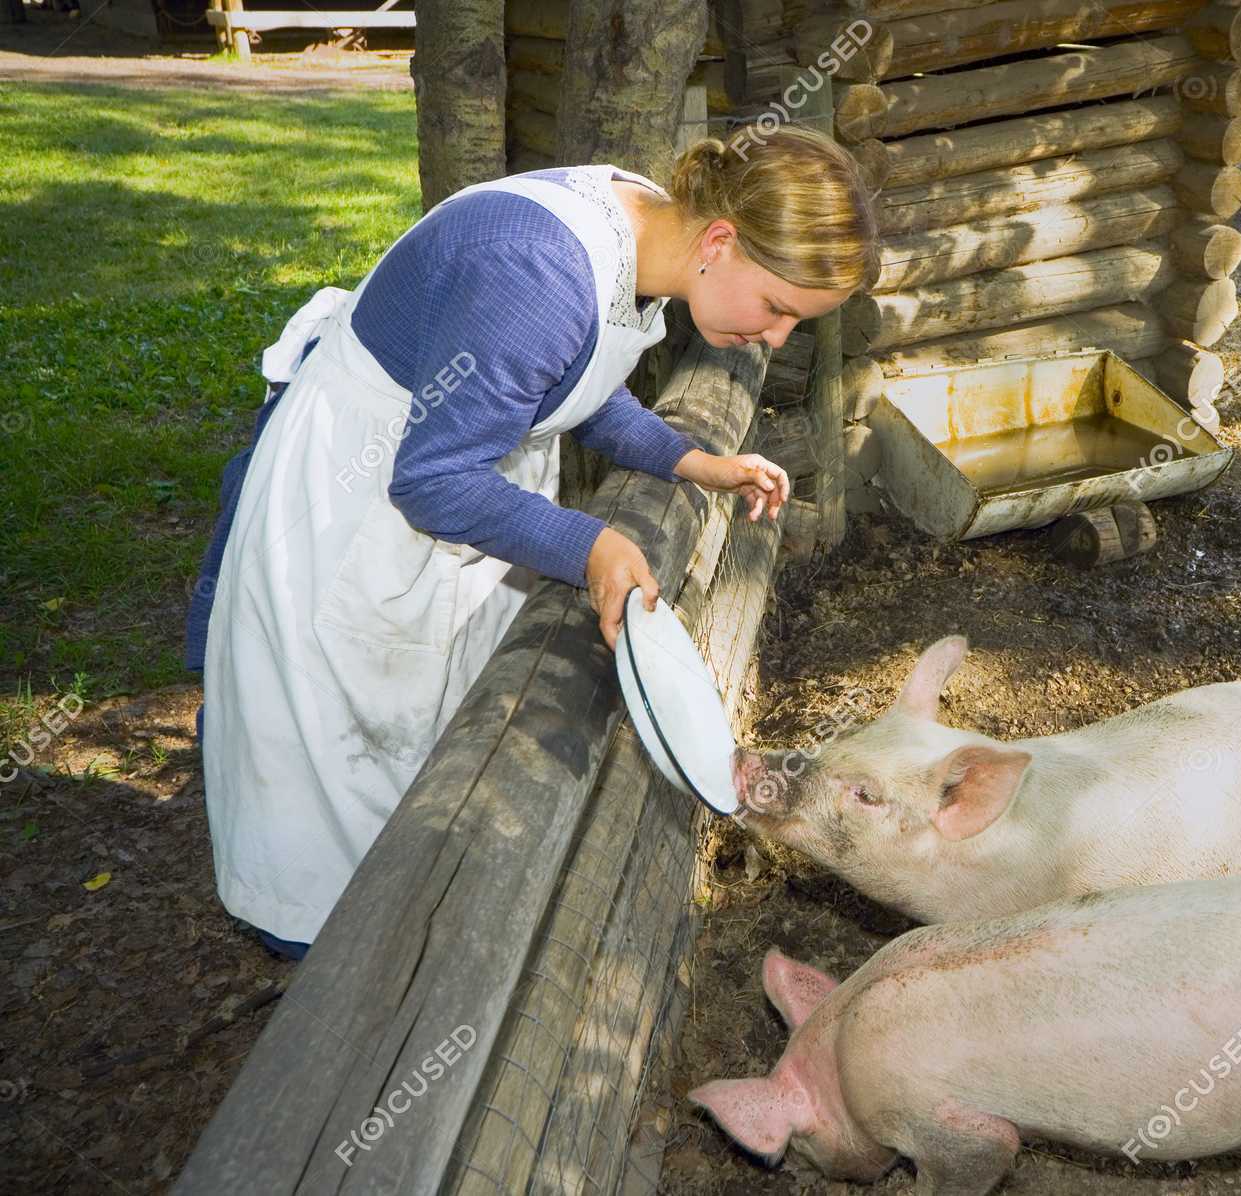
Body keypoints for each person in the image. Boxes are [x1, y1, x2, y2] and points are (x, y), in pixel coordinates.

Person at [184, 126, 882, 960]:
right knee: (329, 792)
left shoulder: (644, 234)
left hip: (447, 490)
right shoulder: (539, 269)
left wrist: (694, 460)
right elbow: (434, 478)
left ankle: (399, 934)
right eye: (778, 309)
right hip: (358, 508)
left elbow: (571, 380)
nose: (775, 339)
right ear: (722, 242)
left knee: (417, 755)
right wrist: (592, 546)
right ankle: (335, 997)